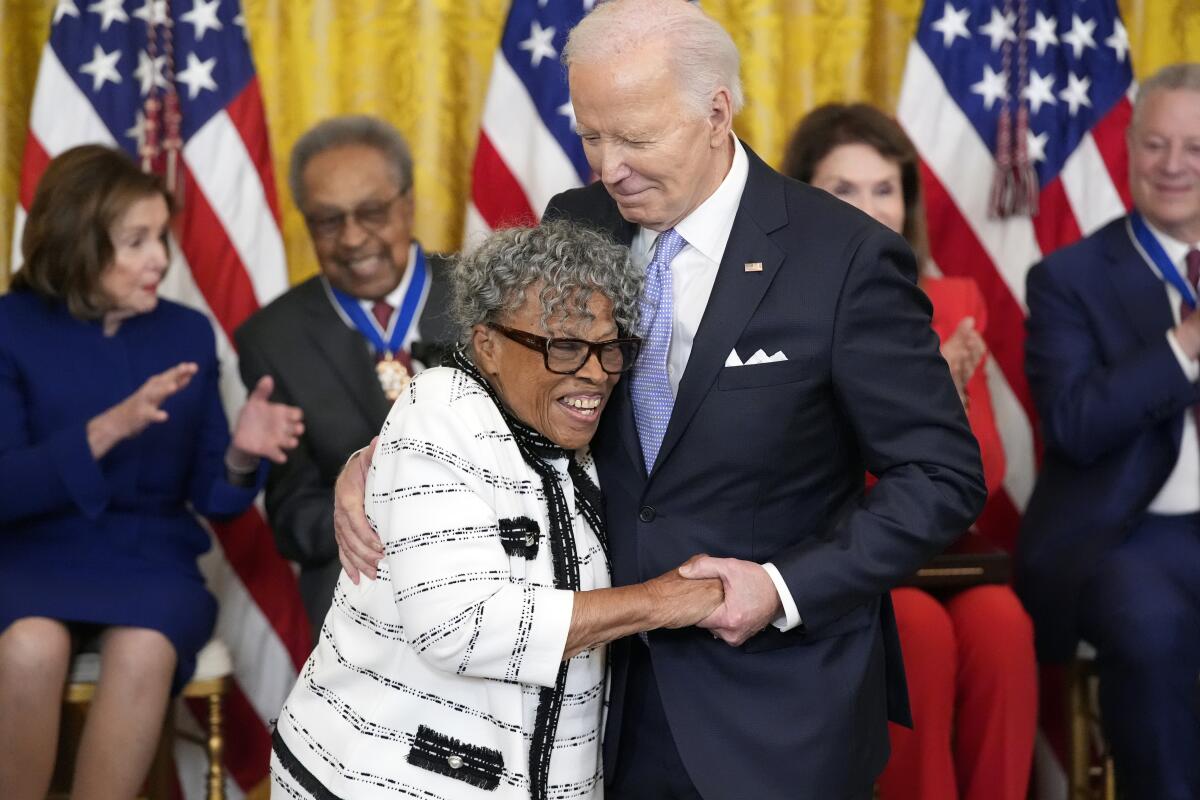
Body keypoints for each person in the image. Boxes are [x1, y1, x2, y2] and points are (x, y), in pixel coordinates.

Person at [336, 2, 986, 797]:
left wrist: (781, 588)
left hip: (773, 706)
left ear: (717, 113)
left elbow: (941, 475)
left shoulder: (844, 259)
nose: (610, 168)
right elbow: (483, 380)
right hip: (592, 700)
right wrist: (377, 458)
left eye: (636, 138)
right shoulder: (579, 223)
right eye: (591, 137)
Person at [270, 220, 723, 800]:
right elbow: (459, 626)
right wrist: (666, 601)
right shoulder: (440, 410)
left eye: (609, 347)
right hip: (373, 779)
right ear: (486, 345)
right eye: (562, 346)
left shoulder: (579, 431)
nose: (592, 371)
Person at [0, 144, 303, 800]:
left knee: (143, 648)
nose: (160, 260)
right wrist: (111, 427)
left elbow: (213, 497)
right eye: (136, 241)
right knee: (31, 647)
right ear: (78, 241)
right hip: (33, 555)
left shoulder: (186, 333)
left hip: (150, 561)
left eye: (160, 237)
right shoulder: (10, 326)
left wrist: (243, 452)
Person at [783, 102, 1037, 800]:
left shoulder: (953, 301)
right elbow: (824, 475)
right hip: (842, 549)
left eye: (884, 189)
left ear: (908, 202)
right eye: (843, 190)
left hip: (936, 550)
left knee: (1003, 626)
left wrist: (948, 402)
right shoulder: (782, 305)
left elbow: (980, 479)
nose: (867, 209)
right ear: (803, 195)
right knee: (916, 631)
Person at [1018, 63, 1200, 799]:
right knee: (1152, 634)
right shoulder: (1070, 278)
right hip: (1126, 534)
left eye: (1194, 146)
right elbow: (1073, 424)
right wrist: (1184, 345)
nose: (1173, 165)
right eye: (1155, 144)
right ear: (1128, 149)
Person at [235, 115, 455, 641]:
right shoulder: (273, 338)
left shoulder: (486, 297)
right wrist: (363, 530)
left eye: (372, 213)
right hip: (361, 577)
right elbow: (292, 514)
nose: (353, 239)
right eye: (328, 221)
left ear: (407, 203)